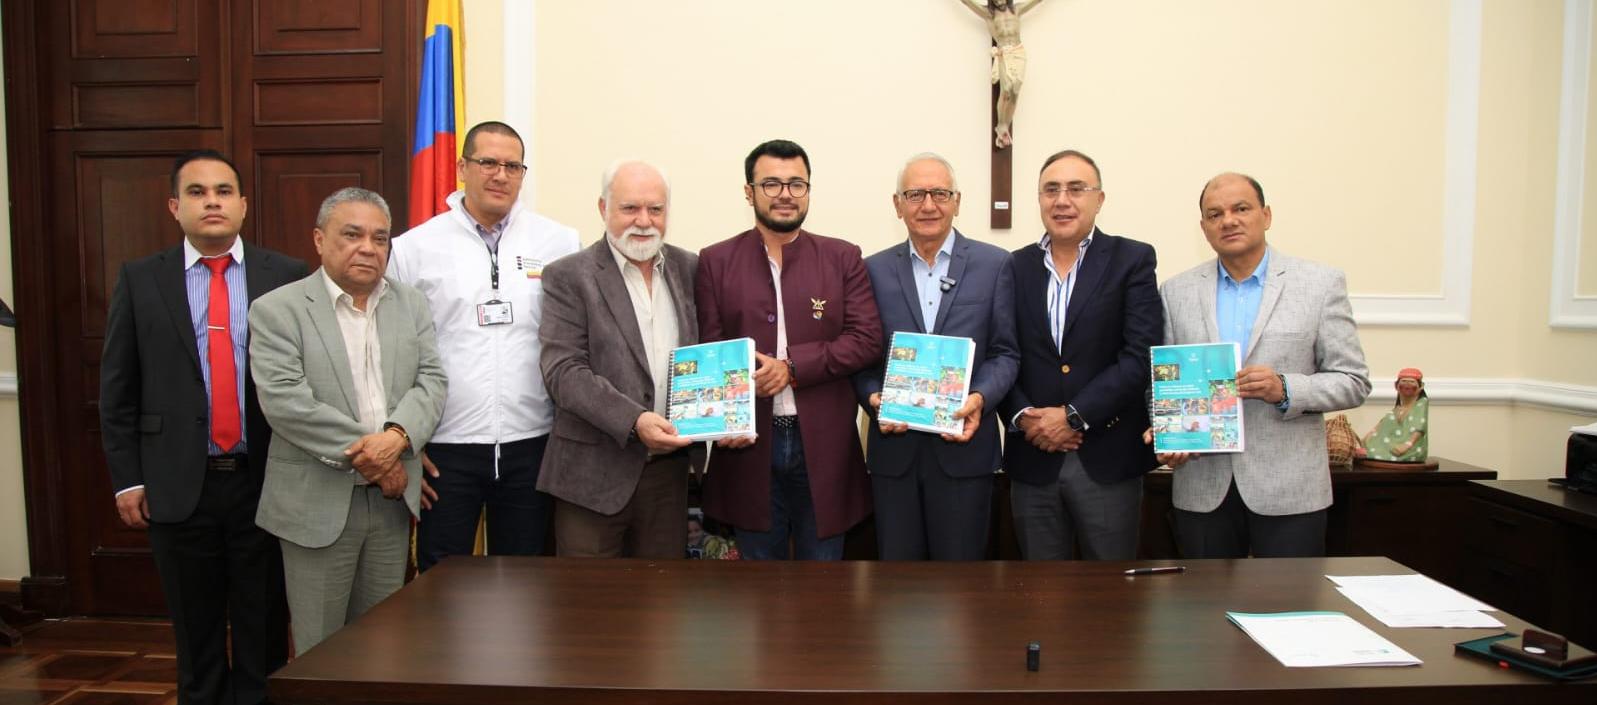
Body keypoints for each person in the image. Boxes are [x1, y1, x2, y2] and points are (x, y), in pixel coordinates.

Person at [100, 149, 303, 705]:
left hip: (264, 479)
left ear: (243, 204)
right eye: (196, 192)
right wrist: (128, 479)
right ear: (174, 206)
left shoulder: (285, 275)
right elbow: (118, 389)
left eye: (222, 191)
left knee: (265, 625)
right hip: (176, 483)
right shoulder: (141, 280)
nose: (210, 201)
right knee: (196, 632)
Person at [248, 187, 446, 651]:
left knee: (384, 643)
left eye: (380, 238)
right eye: (352, 234)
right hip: (317, 501)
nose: (368, 248)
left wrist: (396, 437)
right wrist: (380, 456)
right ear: (319, 239)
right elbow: (285, 403)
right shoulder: (278, 310)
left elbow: (432, 381)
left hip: (391, 505)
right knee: (322, 647)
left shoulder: (411, 303)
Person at [390, 121, 581, 570]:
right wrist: (411, 446)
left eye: (512, 166)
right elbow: (395, 352)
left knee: (526, 576)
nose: (500, 175)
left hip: (532, 442)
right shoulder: (415, 248)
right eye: (488, 162)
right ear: (462, 167)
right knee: (443, 578)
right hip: (445, 448)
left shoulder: (559, 242)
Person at [1156, 172, 1371, 558]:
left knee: (1289, 613)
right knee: (1202, 614)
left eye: (1241, 209)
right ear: (1204, 227)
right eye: (1215, 213)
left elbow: (1353, 380)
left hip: (1290, 490)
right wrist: (1167, 433)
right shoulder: (1176, 291)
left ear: (1266, 215)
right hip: (1204, 488)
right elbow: (1164, 380)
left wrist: (1286, 389)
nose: (1229, 220)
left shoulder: (1319, 284)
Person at [695, 139, 884, 560]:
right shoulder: (715, 260)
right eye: (772, 184)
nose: (785, 194)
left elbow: (866, 339)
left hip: (824, 444)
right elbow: (710, 347)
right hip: (747, 446)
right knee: (758, 589)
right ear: (749, 191)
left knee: (823, 583)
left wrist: (792, 367)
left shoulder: (842, 257)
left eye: (797, 184)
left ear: (809, 190)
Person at [998, 149, 1162, 561]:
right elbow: (1003, 353)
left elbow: (1139, 356)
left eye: (1076, 189)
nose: (1062, 200)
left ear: (1099, 199)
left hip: (1106, 458)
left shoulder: (1132, 259)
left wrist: (1072, 415)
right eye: (1050, 190)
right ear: (1039, 200)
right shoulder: (1013, 267)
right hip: (1033, 459)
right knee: (1039, 601)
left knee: (1111, 603)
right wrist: (1025, 419)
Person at [853, 153, 1019, 560]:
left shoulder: (995, 265)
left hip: (965, 451)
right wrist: (874, 399)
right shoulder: (869, 270)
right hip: (895, 457)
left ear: (957, 201)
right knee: (898, 586)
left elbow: (1005, 353)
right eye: (915, 194)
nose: (928, 204)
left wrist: (978, 398)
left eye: (940, 193)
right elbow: (859, 356)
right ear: (897, 205)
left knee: (961, 590)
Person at [538, 160, 702, 558]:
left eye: (656, 209)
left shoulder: (691, 268)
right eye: (630, 208)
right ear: (603, 208)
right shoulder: (569, 276)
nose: (643, 221)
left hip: (668, 476)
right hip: (591, 474)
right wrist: (634, 420)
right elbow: (564, 372)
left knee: (663, 607)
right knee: (590, 609)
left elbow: (708, 355)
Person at [957, 0, 1045, 148]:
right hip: (1004, 52)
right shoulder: (988, 14)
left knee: (1015, 91)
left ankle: (1006, 124)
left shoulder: (1016, 10)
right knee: (1006, 90)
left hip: (1018, 52)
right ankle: (1001, 125)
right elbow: (966, 2)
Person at [1359, 368, 1428, 462]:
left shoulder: (1421, 404)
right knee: (1389, 418)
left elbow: (1419, 427)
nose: (1407, 384)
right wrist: (1368, 436)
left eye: (1412, 382)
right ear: (1396, 386)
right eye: (1404, 381)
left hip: (1408, 446)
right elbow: (1382, 424)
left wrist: (1407, 445)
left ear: (1421, 386)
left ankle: (1377, 452)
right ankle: (1372, 447)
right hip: (1393, 441)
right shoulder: (1399, 408)